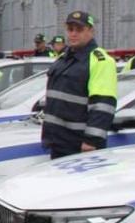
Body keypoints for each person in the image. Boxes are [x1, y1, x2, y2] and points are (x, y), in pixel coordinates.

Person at [41, 11, 118, 160]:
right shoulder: (64, 58)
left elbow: (103, 105)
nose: (73, 34)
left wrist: (91, 141)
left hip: (80, 146)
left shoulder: (100, 61)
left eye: (79, 29)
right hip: (58, 142)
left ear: (91, 31)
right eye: (70, 29)